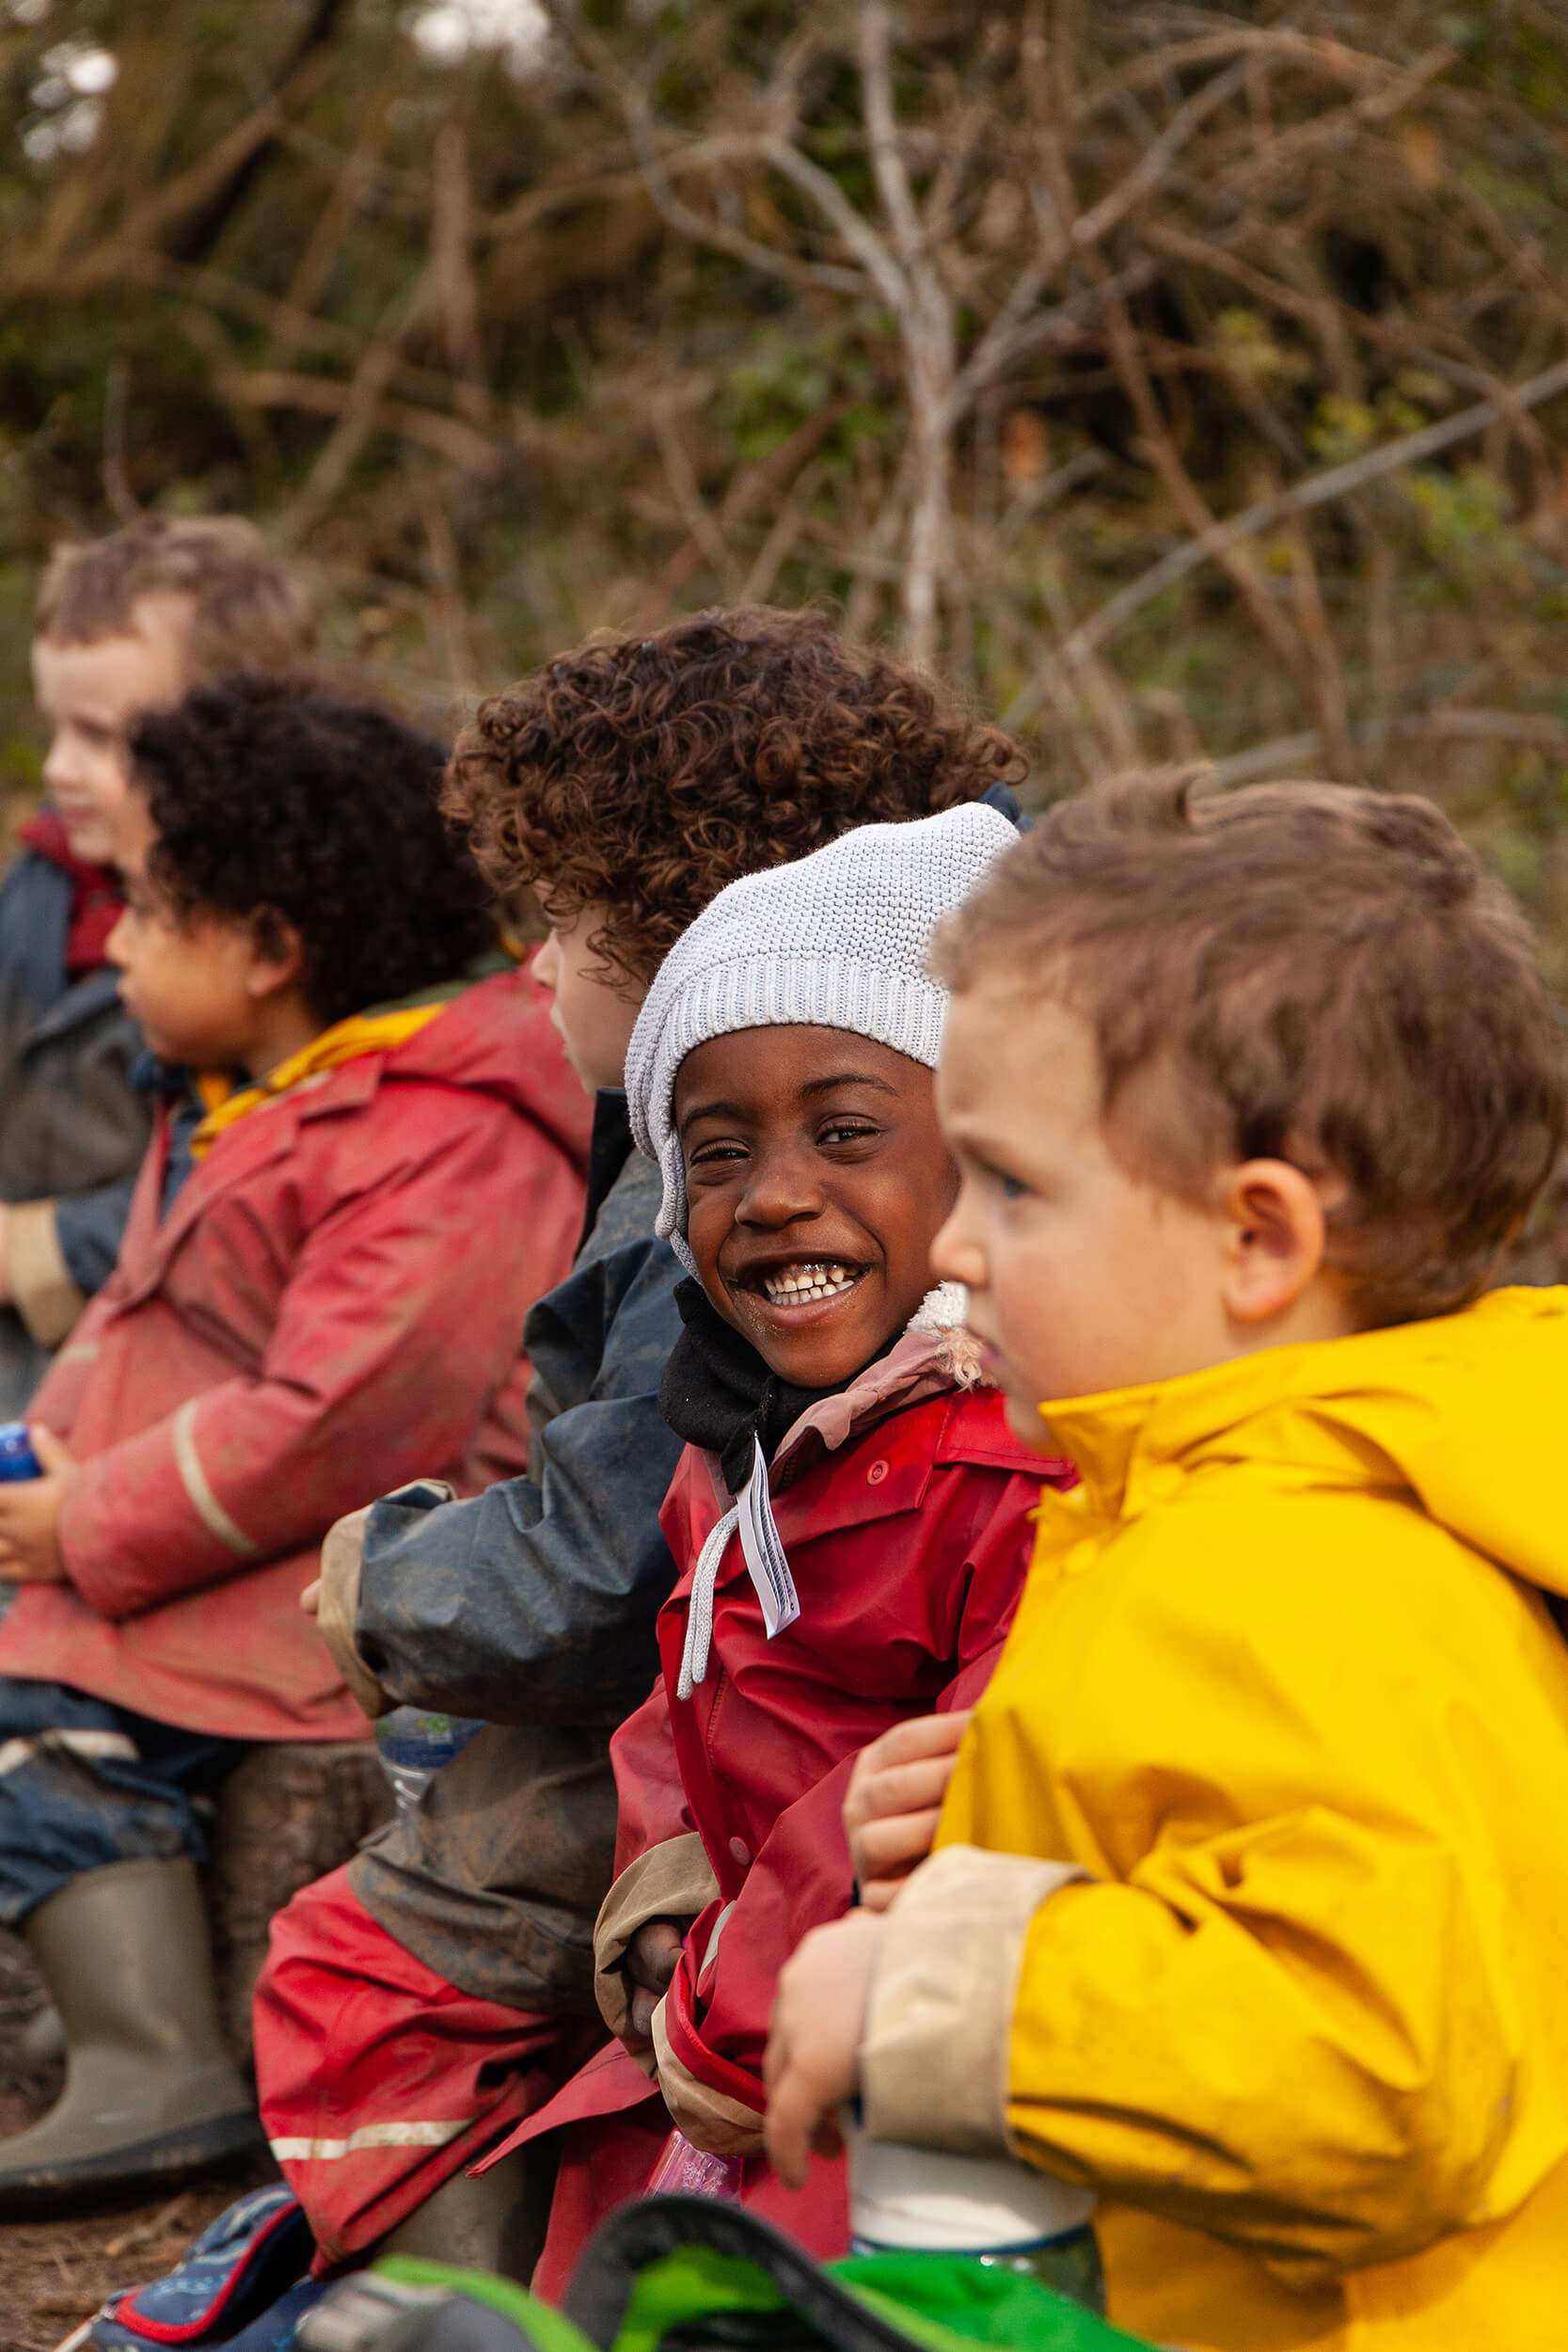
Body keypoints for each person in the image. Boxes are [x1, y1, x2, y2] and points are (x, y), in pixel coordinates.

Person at [250, 608, 1031, 2298]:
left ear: (690, 932)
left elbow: (602, 1578)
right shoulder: (724, 1224)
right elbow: (696, 1597)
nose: (528, 966)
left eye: (563, 922)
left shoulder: (966, 1425)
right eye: (727, 1150)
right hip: (720, 1872)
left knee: (369, 1957)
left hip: (812, 1965)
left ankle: (403, 2291)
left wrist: (376, 1586)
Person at [764, 771, 1568, 2352]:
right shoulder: (1247, 1503)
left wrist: (932, 1991)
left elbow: (1371, 2074)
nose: (951, 1246)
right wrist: (998, 1847)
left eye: (1011, 1183)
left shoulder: (1299, 1567)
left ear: (1255, 1240)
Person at [0, 677, 590, 2210]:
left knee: (29, 1694)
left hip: (352, 1574)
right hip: (199, 1543)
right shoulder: (251, 1092)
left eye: (148, 912)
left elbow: (341, 1424)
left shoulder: (447, 1129)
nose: (113, 944)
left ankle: (155, 2063)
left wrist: (87, 1524)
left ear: (267, 950)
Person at [490, 802, 1075, 2301]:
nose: (773, 1194)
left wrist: (729, 2005)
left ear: (987, 1156)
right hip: (724, 1992)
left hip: (883, 2038)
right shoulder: (739, 1436)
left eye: (846, 1131)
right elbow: (680, 1688)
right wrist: (661, 1885)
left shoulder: (1011, 1460)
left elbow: (954, 1780)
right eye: (717, 1149)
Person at [0, 515, 316, 1413]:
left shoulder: (255, 941)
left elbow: (226, 1181)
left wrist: (29, 1248)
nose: (60, 770)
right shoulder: (45, 879)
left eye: (103, 738)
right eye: (55, 728)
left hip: (153, 1365)